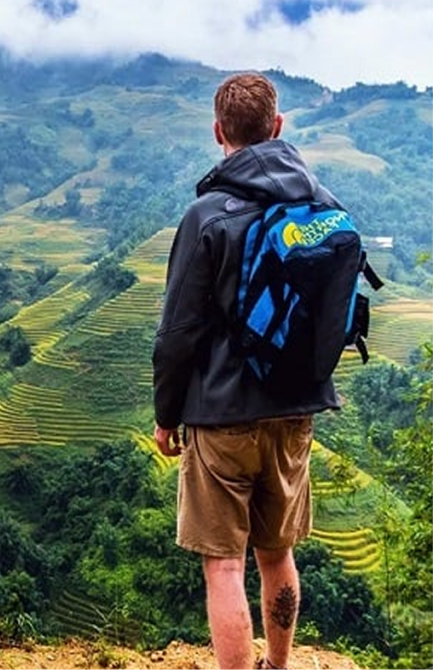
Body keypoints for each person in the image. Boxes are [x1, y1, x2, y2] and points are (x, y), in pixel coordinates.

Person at [152, 72, 342, 670]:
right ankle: (279, 666)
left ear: (218, 133)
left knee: (225, 564)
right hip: (296, 408)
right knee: (277, 551)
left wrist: (166, 416)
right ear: (278, 127)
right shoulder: (317, 204)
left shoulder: (206, 216)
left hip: (222, 413)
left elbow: (177, 333)